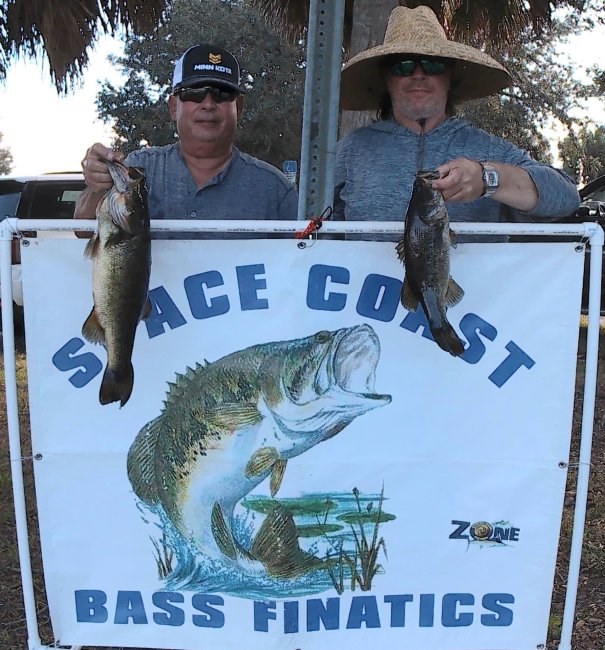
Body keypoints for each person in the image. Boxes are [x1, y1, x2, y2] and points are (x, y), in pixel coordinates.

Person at [333, 6, 580, 233]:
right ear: (386, 78)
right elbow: (316, 229)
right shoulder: (349, 151)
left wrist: (487, 178)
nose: (418, 75)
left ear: (449, 76)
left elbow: (566, 197)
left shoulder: (489, 150)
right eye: (403, 66)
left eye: (432, 65)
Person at [75, 44, 298, 234]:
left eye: (221, 93)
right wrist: (98, 185)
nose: (208, 104)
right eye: (194, 92)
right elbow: (83, 230)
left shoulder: (276, 190)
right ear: (173, 107)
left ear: (238, 107)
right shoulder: (138, 169)